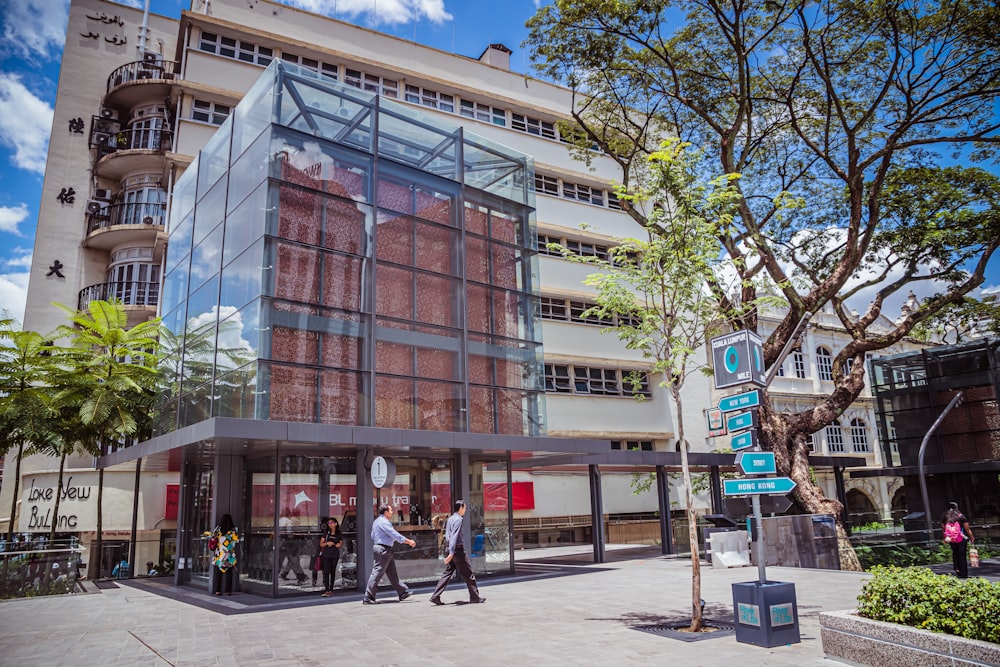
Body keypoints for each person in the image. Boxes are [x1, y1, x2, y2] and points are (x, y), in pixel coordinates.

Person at [429, 500, 485, 606]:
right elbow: (454, 536)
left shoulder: (450, 519)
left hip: (450, 549)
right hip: (457, 551)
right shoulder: (458, 520)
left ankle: (435, 596)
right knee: (468, 574)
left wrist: (449, 551)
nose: (465, 510)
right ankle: (475, 597)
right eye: (465, 507)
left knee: (447, 573)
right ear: (460, 508)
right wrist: (451, 553)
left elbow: (448, 535)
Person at [363, 504, 416, 604]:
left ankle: (402, 592)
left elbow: (372, 535)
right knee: (377, 573)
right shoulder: (384, 522)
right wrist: (408, 541)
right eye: (391, 510)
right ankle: (368, 596)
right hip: (383, 549)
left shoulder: (377, 521)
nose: (392, 512)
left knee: (392, 573)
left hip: (383, 549)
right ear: (386, 512)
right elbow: (394, 534)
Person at [941, 502, 974, 579]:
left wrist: (944, 537)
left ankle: (957, 569)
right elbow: (967, 528)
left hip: (951, 538)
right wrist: (972, 537)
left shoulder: (946, 516)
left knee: (955, 553)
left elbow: (943, 527)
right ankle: (964, 573)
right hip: (961, 538)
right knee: (962, 554)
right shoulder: (960, 516)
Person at [211, 513, 240, 595]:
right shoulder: (233, 531)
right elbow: (236, 540)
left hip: (219, 554)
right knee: (229, 573)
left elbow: (213, 538)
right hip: (229, 555)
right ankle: (228, 591)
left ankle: (218, 590)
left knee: (218, 573)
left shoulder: (218, 529)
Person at [278, 507, 308, 585]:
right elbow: (290, 533)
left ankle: (283, 573)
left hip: (280, 543)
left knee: (288, 561)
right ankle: (301, 576)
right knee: (294, 560)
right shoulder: (289, 521)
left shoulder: (279, 520)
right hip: (289, 543)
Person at [319, 516, 344, 597]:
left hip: (334, 554)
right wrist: (327, 543)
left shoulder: (338, 533)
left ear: (336, 524)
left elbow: (341, 543)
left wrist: (338, 545)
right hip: (326, 553)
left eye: (332, 523)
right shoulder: (326, 532)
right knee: (326, 571)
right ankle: (326, 589)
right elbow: (321, 544)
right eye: (329, 523)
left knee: (332, 571)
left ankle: (331, 589)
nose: (330, 525)